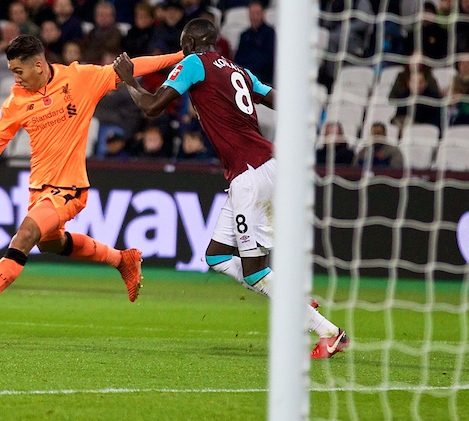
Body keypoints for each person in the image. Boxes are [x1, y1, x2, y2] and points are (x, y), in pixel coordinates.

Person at [112, 18, 348, 358]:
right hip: (263, 167)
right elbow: (278, 99)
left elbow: (151, 107)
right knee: (218, 256)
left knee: (255, 274)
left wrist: (129, 80)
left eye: (183, 45)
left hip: (250, 176)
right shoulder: (238, 70)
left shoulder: (193, 64)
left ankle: (328, 332)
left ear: (191, 44)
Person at [0, 34, 183, 328]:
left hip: (69, 189)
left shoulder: (79, 79)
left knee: (25, 235)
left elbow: (131, 67)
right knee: (52, 245)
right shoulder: (17, 100)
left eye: (19, 71)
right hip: (39, 190)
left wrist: (182, 55)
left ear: (40, 66)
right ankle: (122, 259)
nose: (16, 80)